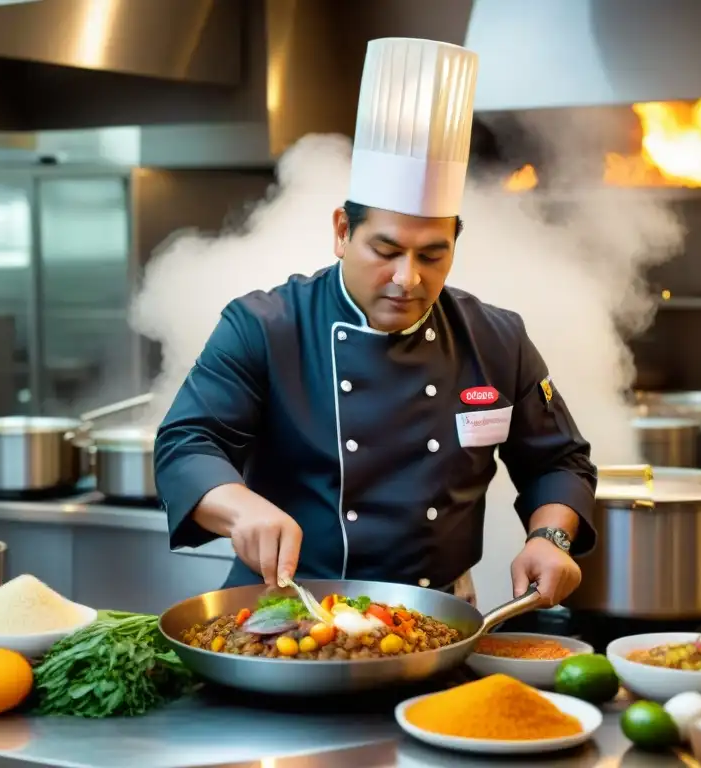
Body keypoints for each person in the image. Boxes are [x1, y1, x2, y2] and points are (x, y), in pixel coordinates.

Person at [155, 38, 598, 609]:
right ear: (342, 231)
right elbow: (186, 443)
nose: (407, 278)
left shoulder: (496, 338)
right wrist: (241, 506)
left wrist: (550, 537)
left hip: (436, 614)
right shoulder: (264, 327)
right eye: (385, 250)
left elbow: (558, 461)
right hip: (284, 608)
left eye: (432, 255)